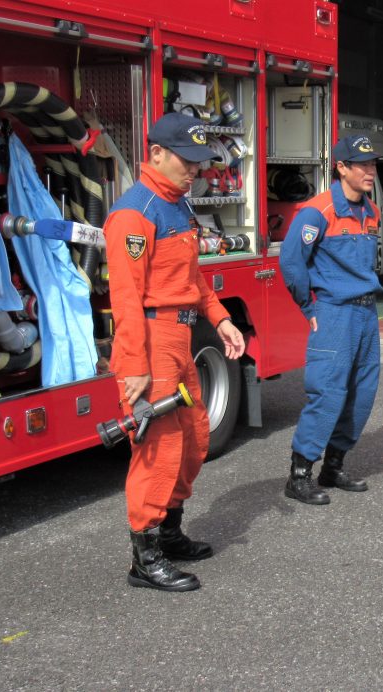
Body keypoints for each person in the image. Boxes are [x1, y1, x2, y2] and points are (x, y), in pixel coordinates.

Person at [104, 112, 246, 591]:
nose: (194, 172)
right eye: (186, 162)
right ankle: (144, 559)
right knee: (159, 450)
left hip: (182, 339)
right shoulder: (134, 213)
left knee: (193, 439)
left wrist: (221, 318)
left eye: (199, 163)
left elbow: (193, 280)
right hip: (151, 342)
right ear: (156, 154)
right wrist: (135, 368)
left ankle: (168, 532)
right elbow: (124, 299)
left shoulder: (178, 207)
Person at [279, 134, 383, 506]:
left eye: (373, 164)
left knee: (361, 392)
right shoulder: (317, 211)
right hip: (335, 312)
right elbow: (291, 262)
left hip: (366, 312)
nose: (371, 171)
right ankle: (300, 474)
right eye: (363, 165)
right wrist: (310, 309)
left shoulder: (370, 211)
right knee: (327, 392)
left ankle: (334, 466)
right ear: (341, 168)